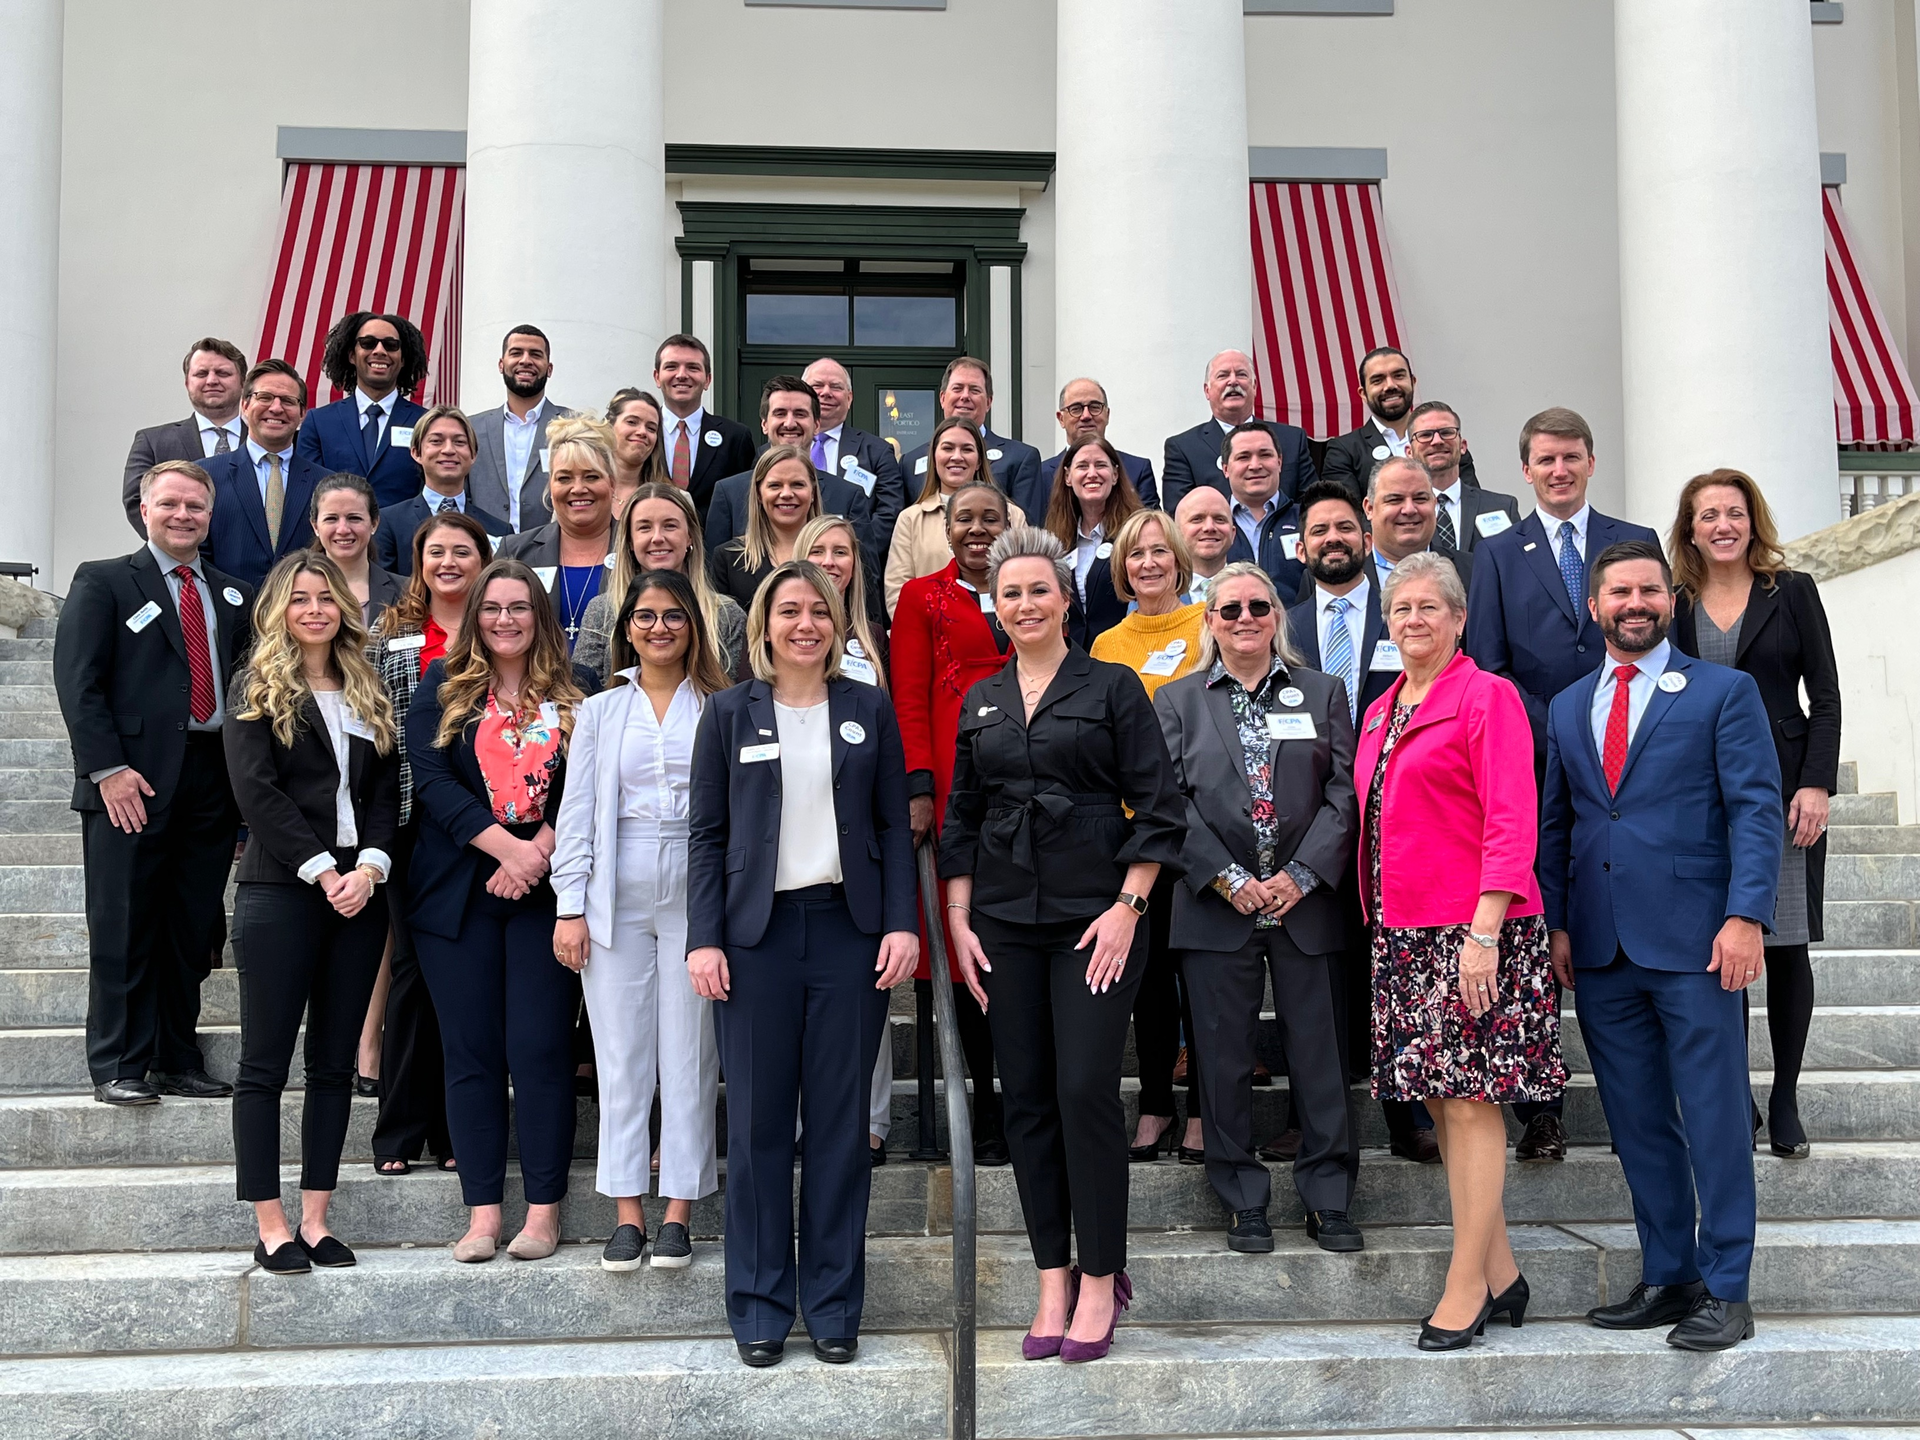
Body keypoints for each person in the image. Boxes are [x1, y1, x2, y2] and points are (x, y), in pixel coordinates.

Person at [942, 525, 1186, 1364]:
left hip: (1096, 918)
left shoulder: (1112, 685)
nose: (1025, 604)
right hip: (1004, 921)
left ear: (1066, 598)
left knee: (1083, 1090)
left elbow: (1159, 807)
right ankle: (1054, 1275)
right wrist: (958, 918)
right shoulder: (982, 698)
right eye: (1010, 593)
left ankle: (1102, 1276)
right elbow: (963, 815)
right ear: (996, 607)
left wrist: (1129, 907)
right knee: (1026, 1099)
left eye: (1038, 590)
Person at [1542, 540, 1783, 1352]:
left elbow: (1755, 809)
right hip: (1602, 947)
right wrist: (1559, 922)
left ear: (1670, 600)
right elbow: (1560, 823)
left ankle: (1728, 1288)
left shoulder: (1724, 691)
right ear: (1595, 607)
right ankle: (1670, 1272)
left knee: (1715, 1118)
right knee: (1638, 1122)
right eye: (1620, 592)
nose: (1635, 604)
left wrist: (1746, 916)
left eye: (1649, 590)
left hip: (1698, 943)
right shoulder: (1567, 705)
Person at [687, 561, 919, 1368]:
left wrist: (902, 924)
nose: (805, 625)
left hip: (848, 933)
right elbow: (707, 836)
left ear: (838, 623)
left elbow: (892, 829)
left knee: (839, 1129)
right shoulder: (728, 712)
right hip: (756, 940)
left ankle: (832, 1305)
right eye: (789, 611)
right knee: (755, 1128)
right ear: (765, 624)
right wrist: (704, 937)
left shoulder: (868, 708)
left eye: (819, 611)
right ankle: (758, 1306)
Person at [1355, 551, 1564, 1350]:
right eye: (1401, 608)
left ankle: (1467, 1283)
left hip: (1475, 928)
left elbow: (1512, 817)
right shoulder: (1382, 709)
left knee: (1472, 1102)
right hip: (1405, 932)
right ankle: (1504, 1273)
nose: (1414, 620)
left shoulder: (1486, 695)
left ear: (1459, 618)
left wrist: (1484, 934)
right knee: (1443, 1100)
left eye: (1428, 607)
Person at [1463, 408, 1659, 1163]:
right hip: (1534, 760)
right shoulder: (1496, 552)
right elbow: (1488, 662)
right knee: (1537, 929)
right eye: (1545, 459)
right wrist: (1558, 724)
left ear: (1591, 461)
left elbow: (1653, 640)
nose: (1559, 470)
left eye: (1571, 457)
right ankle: (1541, 1109)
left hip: (1630, 760)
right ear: (1525, 469)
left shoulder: (1632, 539)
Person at [1156, 562, 1361, 1253]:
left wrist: (1302, 874)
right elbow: (1168, 802)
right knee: (1220, 1061)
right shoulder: (1178, 700)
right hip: (1218, 907)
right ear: (1210, 621)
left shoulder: (1323, 691)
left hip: (1307, 905)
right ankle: (1242, 1198)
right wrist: (1227, 877)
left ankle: (1329, 1198)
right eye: (1230, 609)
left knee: (1321, 1058)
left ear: (1277, 616)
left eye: (1258, 607)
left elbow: (1344, 793)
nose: (1244, 619)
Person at [406, 558, 595, 1262]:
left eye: (519, 607)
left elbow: (587, 784)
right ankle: (483, 1213)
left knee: (542, 1050)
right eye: (492, 608)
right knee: (471, 1053)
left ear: (539, 616)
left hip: (549, 896)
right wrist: (505, 851)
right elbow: (431, 781)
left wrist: (535, 853)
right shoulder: (441, 687)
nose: (505, 619)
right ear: (475, 617)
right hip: (457, 894)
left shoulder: (579, 689)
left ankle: (543, 1212)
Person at [54, 460, 252, 1106]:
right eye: (170, 504)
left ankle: (175, 1057)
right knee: (125, 923)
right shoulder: (105, 581)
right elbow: (79, 683)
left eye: (195, 506)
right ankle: (119, 1062)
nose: (183, 515)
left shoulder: (233, 592)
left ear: (210, 515)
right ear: (144, 510)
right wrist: (107, 770)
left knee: (191, 926)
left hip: (211, 779)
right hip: (130, 780)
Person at [224, 553, 399, 1274]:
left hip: (360, 890)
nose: (315, 609)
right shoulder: (256, 685)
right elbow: (257, 794)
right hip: (282, 891)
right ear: (279, 610)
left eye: (326, 597)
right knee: (264, 1064)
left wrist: (372, 867)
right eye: (299, 599)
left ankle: (316, 1218)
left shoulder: (366, 686)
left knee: (332, 1064)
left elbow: (386, 790)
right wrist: (325, 870)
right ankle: (271, 1226)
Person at [552, 569, 730, 1272]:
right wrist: (570, 906)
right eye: (647, 616)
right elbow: (576, 815)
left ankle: (679, 1211)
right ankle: (627, 1212)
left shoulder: (720, 704)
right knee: (622, 1058)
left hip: (697, 889)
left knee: (690, 1056)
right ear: (627, 627)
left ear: (694, 625)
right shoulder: (600, 711)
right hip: (615, 893)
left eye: (674, 615)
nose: (660, 628)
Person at [1668, 471, 1839, 1159]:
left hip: (1785, 791)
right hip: (1703, 793)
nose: (1723, 525)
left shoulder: (1791, 590)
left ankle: (1785, 1096)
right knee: (1721, 949)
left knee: (1786, 945)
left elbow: (1825, 695)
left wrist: (1817, 784)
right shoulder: (1675, 601)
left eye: (1734, 513)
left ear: (1752, 520)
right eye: (1708, 514)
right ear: (1690, 528)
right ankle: (1734, 1097)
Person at [1285, 479, 1439, 1164]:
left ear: (1367, 535)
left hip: (1398, 821)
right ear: (1300, 548)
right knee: (1314, 978)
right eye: (1319, 531)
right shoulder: (1281, 623)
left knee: (1394, 969)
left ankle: (1409, 1116)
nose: (1333, 540)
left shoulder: (1401, 613)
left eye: (1344, 527)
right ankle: (1311, 1117)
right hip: (1307, 824)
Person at [890, 481, 1016, 1168]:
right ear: (946, 528)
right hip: (954, 796)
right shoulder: (921, 597)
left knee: (1016, 953)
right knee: (964, 961)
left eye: (989, 518)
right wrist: (918, 787)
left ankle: (1024, 1105)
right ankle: (984, 1110)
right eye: (964, 518)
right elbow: (908, 696)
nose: (977, 529)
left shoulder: (1033, 588)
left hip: (1027, 795)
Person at [365, 511, 493, 1176]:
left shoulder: (501, 629)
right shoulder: (391, 635)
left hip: (488, 826)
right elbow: (373, 730)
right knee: (414, 970)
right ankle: (398, 1131)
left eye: (462, 551)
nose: (449, 563)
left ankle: (452, 1130)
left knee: (463, 974)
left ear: (483, 560)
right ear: (418, 563)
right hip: (412, 822)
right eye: (435, 551)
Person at [1090, 510, 1207, 1163]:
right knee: (1152, 980)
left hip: (1206, 828)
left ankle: (1206, 1110)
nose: (1149, 564)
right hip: (1139, 833)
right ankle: (1158, 1104)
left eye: (1160, 552)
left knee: (1206, 976)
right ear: (1122, 568)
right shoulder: (1106, 645)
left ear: (1179, 560)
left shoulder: (1209, 624)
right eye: (1136, 555)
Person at [702, 376, 884, 571]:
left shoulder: (848, 496)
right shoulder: (728, 493)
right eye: (780, 413)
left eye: (800, 414)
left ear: (816, 425)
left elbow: (866, 575)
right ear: (764, 424)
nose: (789, 423)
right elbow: (713, 575)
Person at [576, 483, 747, 687]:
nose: (657, 538)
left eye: (670, 526)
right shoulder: (601, 611)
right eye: (644, 527)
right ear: (630, 541)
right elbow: (582, 691)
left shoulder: (728, 615)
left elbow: (737, 696)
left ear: (690, 536)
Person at [497, 415, 620, 650]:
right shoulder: (514, 552)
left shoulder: (638, 549)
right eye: (564, 478)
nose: (578, 488)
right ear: (550, 486)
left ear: (612, 483)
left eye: (591, 477)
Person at [886, 417, 1027, 615]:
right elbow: (898, 592)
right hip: (932, 629)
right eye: (948, 448)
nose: (957, 457)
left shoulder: (1013, 515)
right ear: (934, 458)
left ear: (979, 461)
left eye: (967, 449)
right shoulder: (910, 519)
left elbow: (1025, 577)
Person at [201, 360, 324, 587]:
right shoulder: (204, 476)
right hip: (229, 606)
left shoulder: (325, 483)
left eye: (288, 401)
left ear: (302, 414)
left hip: (302, 606)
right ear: (245, 406)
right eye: (265, 397)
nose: (276, 408)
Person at [293, 312, 428, 510]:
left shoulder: (425, 422)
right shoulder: (318, 422)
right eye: (368, 343)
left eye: (391, 345)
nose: (380, 351)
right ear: (351, 356)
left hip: (406, 530)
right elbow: (306, 492)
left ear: (403, 359)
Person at [1160, 348, 1317, 515]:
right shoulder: (1183, 447)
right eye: (1223, 376)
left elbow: (1314, 504)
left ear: (1254, 386)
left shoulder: (1292, 439)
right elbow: (1179, 514)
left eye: (1241, 374)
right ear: (1207, 391)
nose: (1233, 381)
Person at [121, 337, 249, 537]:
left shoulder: (268, 442)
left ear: (243, 383)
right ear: (187, 383)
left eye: (223, 373)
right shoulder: (152, 442)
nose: (212, 380)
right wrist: (181, 546)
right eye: (201, 374)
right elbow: (137, 502)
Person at [373, 406, 513, 575]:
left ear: (473, 455)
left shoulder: (499, 530)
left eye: (459, 442)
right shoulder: (389, 523)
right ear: (416, 452)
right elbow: (383, 585)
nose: (448, 450)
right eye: (436, 441)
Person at [898, 357, 1040, 512]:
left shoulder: (1020, 458)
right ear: (942, 398)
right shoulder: (910, 462)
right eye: (957, 388)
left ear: (988, 402)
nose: (965, 396)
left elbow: (1026, 524)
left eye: (974, 390)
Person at [469, 326, 575, 530]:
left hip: (552, 543)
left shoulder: (573, 425)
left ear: (549, 369)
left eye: (535, 354)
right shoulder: (471, 429)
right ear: (501, 365)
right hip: (486, 545)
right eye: (516, 353)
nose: (526, 360)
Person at [1043, 437, 1143, 648]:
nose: (1092, 473)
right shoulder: (1054, 539)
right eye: (1082, 466)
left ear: (1115, 475)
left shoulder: (1136, 533)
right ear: (1068, 477)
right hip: (1072, 656)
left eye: (1100, 465)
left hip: (1124, 652)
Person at [802, 356, 908, 550]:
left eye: (836, 387)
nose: (826, 392)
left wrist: (853, 552)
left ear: (849, 398)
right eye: (817, 385)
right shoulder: (776, 450)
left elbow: (889, 512)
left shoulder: (877, 451)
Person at [653, 334, 756, 517]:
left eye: (693, 368)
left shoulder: (735, 437)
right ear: (657, 377)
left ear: (707, 380)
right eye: (671, 367)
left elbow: (744, 505)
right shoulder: (642, 433)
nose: (682, 375)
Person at [709, 444, 822, 610]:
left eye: (797, 484)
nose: (786, 494)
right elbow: (721, 623)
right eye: (775, 485)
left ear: (812, 493)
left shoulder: (835, 557)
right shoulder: (729, 559)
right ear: (759, 494)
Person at [1028, 377, 1159, 518]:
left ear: (1107, 414)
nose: (1086, 416)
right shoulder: (1040, 475)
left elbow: (1151, 526)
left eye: (1095, 407)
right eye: (1076, 409)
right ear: (1061, 419)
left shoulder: (1138, 470)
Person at [1407, 401, 1517, 553]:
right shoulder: (1403, 513)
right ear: (1409, 452)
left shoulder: (1502, 507)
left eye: (1446, 432)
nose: (1437, 441)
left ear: (1463, 446)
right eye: (1425, 435)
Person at [308, 473, 403, 639]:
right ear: (315, 526)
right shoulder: (291, 592)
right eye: (331, 519)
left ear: (374, 523)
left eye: (354, 518)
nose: (343, 529)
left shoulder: (406, 591)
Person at [1321, 347, 1421, 499]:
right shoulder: (1344, 451)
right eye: (1377, 380)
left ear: (1413, 382)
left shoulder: (1443, 438)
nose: (1390, 385)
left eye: (1398, 376)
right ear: (1363, 394)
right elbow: (1346, 510)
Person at [1220, 422, 1306, 598]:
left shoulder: (1307, 520)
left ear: (1279, 462)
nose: (1255, 465)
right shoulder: (1212, 528)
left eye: (1265, 455)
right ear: (1226, 469)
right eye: (1243, 457)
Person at [1365, 455, 1473, 588]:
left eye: (1420, 499)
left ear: (1434, 504)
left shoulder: (1474, 571)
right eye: (1395, 500)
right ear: (1369, 508)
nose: (1409, 510)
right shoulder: (1346, 574)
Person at [607, 387, 669, 509]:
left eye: (651, 428)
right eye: (632, 422)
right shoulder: (584, 490)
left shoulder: (671, 499)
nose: (642, 432)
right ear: (610, 425)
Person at [1173, 485, 1236, 605]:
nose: (1209, 527)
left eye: (1219, 519)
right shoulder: (1154, 597)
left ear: (1233, 534)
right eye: (1197, 519)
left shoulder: (1259, 591)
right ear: (1176, 533)